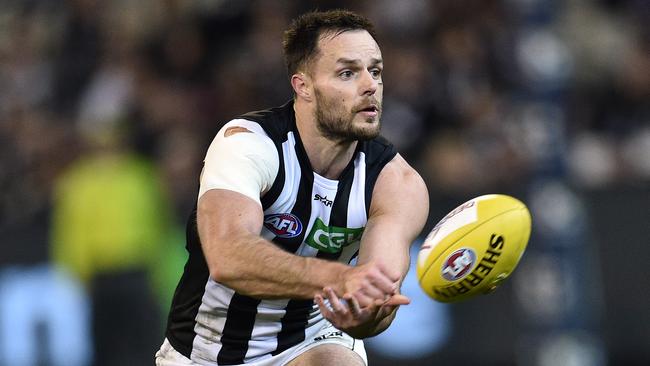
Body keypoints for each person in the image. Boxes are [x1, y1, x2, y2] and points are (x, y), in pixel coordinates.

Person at [156, 9, 429, 366]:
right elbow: (229, 257)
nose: (369, 86)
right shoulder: (247, 144)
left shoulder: (397, 183)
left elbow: (378, 305)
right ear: (303, 86)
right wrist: (337, 277)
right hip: (205, 349)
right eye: (348, 73)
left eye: (375, 71)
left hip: (310, 340)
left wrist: (365, 315)